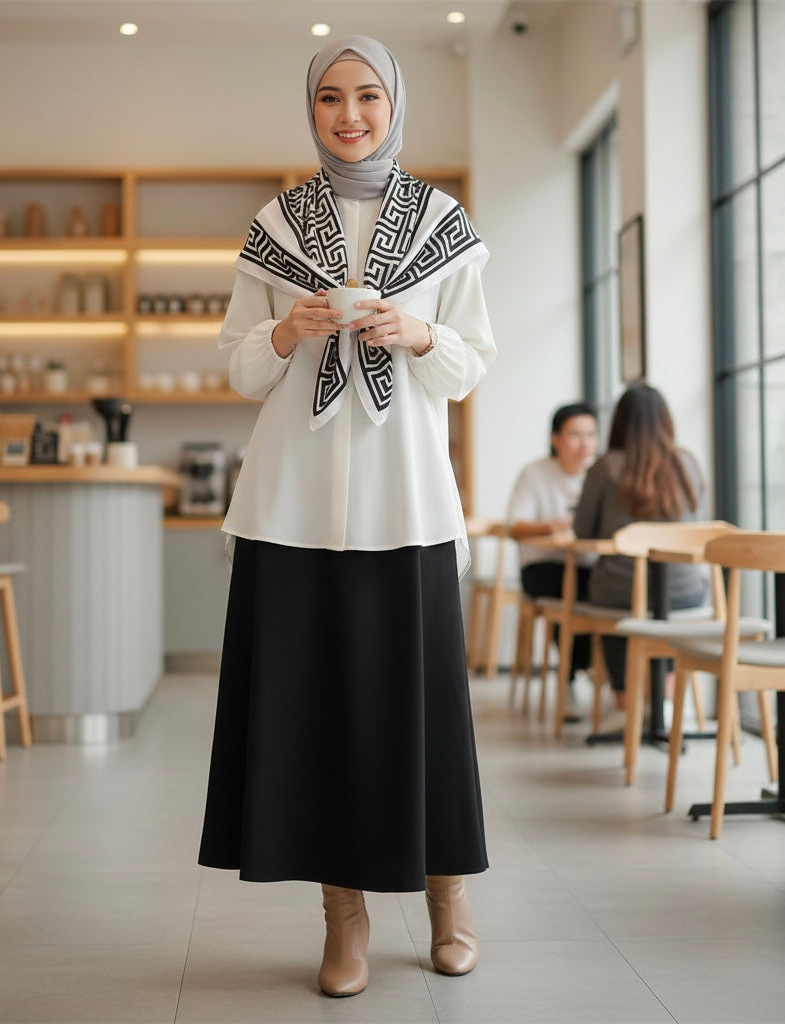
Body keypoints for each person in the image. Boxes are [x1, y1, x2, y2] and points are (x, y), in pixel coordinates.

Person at [197, 36, 495, 998]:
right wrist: (286, 328)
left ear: (394, 104)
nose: (350, 114)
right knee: (320, 717)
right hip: (293, 511)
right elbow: (239, 366)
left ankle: (449, 901)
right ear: (312, 111)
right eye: (331, 97)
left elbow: (470, 366)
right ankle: (345, 920)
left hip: (405, 507)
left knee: (426, 715)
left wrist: (420, 331)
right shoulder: (278, 223)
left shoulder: (443, 224)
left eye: (368, 95)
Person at [572, 383, 706, 732]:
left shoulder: (604, 468)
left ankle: (625, 706)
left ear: (620, 422)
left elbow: (583, 531)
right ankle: (667, 704)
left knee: (616, 608)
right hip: (687, 591)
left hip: (620, 587)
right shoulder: (687, 463)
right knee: (666, 618)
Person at [506, 402, 599, 719]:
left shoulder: (599, 475)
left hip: (588, 565)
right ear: (555, 438)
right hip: (542, 567)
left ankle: (604, 680)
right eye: (575, 435)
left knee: (605, 589)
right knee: (572, 594)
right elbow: (516, 527)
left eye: (591, 435)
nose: (584, 444)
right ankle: (571, 678)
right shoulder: (535, 473)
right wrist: (555, 525)